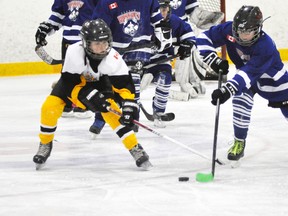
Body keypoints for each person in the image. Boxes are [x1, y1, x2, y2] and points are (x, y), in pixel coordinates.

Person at [33, 19, 152, 170]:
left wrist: (129, 106)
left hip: (100, 85)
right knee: (48, 107)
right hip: (72, 85)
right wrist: (86, 95)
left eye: (105, 42)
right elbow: (69, 83)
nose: (102, 47)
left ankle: (135, 147)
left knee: (113, 113)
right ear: (86, 43)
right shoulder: (74, 52)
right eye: (97, 43)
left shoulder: (113, 59)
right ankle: (45, 143)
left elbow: (125, 86)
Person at [196, 5, 288, 161]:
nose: (242, 35)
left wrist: (227, 90)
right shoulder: (229, 30)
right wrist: (213, 59)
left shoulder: (266, 46)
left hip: (274, 83)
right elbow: (204, 38)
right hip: (247, 79)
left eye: (247, 32)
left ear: (257, 30)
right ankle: (239, 141)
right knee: (240, 100)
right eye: (240, 31)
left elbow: (248, 73)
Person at [89, 0, 172, 135]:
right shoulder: (107, 2)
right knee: (107, 86)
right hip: (114, 49)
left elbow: (158, 20)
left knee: (133, 84)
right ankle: (101, 118)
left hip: (140, 47)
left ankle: (133, 117)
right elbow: (98, 27)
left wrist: (159, 36)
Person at [35, 0, 98, 118]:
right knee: (67, 73)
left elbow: (104, 12)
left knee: (87, 73)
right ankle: (67, 101)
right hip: (68, 40)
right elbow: (59, 14)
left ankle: (83, 103)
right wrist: (46, 27)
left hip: (89, 39)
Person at [140, 0, 195, 127]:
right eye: (158, 10)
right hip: (141, 60)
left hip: (161, 60)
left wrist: (187, 44)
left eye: (164, 10)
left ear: (169, 9)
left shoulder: (174, 21)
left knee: (165, 80)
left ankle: (158, 112)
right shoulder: (142, 19)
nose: (161, 13)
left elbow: (189, 35)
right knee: (135, 87)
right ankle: (132, 111)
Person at [170, 0, 224, 98]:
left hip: (181, 33)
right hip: (158, 34)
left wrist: (205, 18)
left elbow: (193, 12)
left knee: (195, 47)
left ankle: (195, 83)